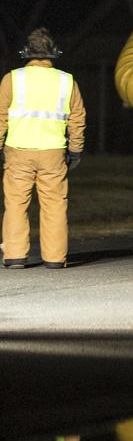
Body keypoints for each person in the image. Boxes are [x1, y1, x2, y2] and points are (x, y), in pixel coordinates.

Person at [0, 27, 85, 269]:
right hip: (53, 152)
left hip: (18, 151)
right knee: (55, 204)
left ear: (26, 53)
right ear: (53, 53)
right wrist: (76, 150)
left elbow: (0, 116)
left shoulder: (12, 79)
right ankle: (55, 258)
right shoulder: (67, 81)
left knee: (16, 204)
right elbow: (77, 118)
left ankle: (15, 255)